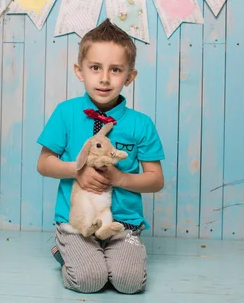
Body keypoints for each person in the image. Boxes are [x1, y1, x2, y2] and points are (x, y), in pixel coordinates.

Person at [36, 18, 165, 294]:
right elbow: (44, 164)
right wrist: (77, 170)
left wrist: (120, 178)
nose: (104, 78)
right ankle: (67, 252)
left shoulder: (140, 124)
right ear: (79, 71)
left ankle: (115, 255)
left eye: (115, 70)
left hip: (122, 224)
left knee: (129, 284)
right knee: (90, 281)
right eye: (95, 68)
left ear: (130, 76)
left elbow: (156, 180)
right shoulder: (66, 113)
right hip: (77, 222)